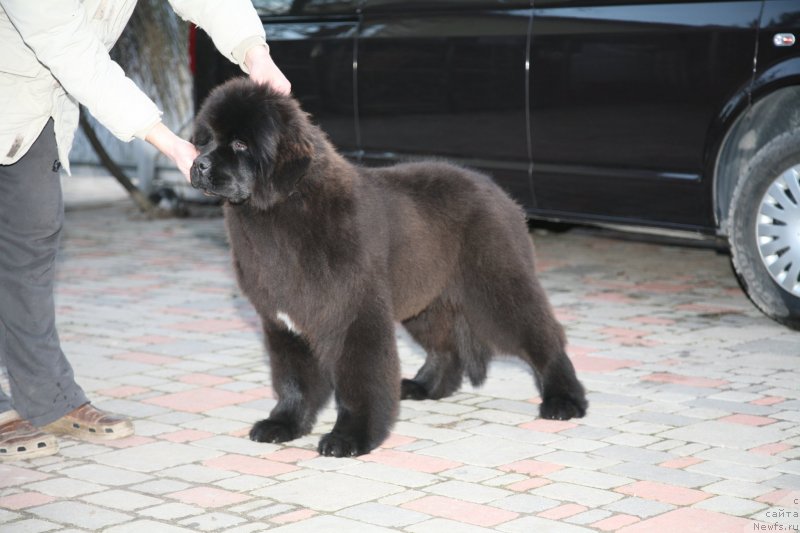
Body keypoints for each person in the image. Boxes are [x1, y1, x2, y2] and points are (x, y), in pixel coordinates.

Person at [0, 0, 291, 461]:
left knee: (33, 239)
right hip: (30, 74)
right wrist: (168, 142)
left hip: (30, 103)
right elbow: (72, 50)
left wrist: (256, 54)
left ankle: (47, 398)